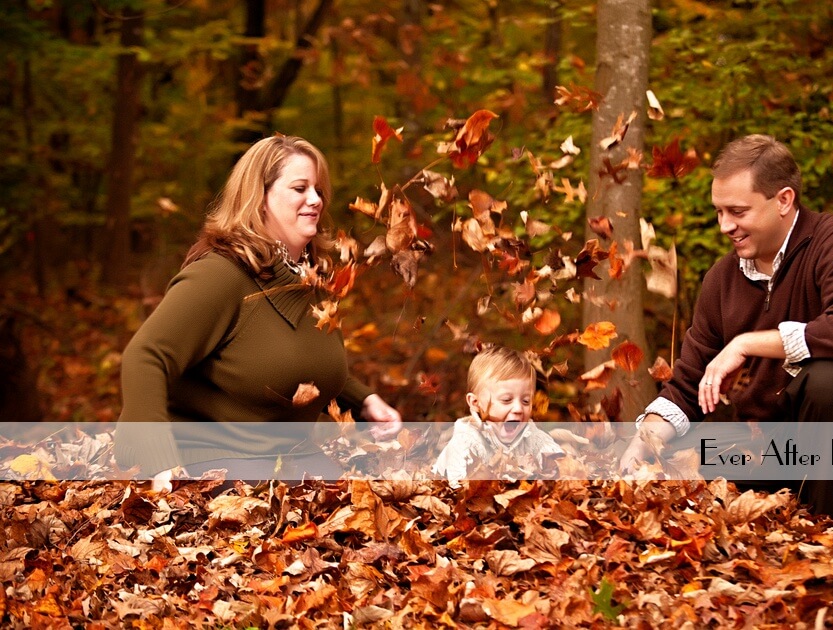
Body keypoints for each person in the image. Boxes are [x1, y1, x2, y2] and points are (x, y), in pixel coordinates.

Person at [619, 134, 833, 517]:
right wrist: (646, 439)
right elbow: (688, 384)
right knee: (663, 447)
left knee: (826, 378)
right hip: (773, 451)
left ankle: (828, 527)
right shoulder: (722, 279)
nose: (725, 226)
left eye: (738, 212)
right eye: (718, 212)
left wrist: (745, 344)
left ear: (784, 200)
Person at [114, 134, 401, 491]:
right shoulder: (220, 275)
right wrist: (157, 461)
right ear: (260, 198)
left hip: (287, 455)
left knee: (368, 505)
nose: (315, 200)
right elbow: (146, 355)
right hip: (209, 459)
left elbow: (299, 363)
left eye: (318, 189)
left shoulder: (309, 279)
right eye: (300, 188)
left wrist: (364, 400)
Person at [432, 345, 563, 484]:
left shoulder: (531, 434)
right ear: (476, 402)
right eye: (506, 400)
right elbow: (458, 488)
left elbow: (560, 464)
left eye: (526, 401)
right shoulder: (466, 441)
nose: (518, 408)